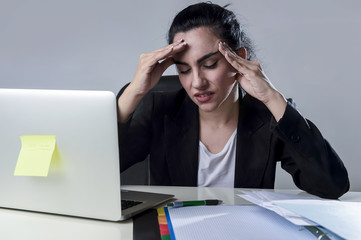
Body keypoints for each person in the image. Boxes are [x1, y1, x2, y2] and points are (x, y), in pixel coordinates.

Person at [117, 2, 349, 199]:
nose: (197, 82)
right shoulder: (160, 110)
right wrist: (134, 92)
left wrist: (272, 97)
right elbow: (93, 173)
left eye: (209, 64)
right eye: (184, 69)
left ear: (239, 59)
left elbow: (332, 185)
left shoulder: (266, 117)